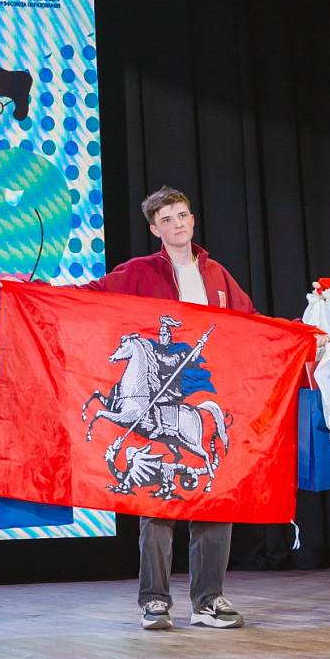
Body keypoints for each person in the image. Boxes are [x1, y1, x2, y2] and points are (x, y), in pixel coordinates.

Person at [84, 185, 253, 632]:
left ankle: (208, 599)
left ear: (192, 220)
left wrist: (298, 333)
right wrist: (38, 295)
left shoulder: (216, 275)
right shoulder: (139, 272)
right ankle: (155, 600)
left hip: (204, 389)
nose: (177, 224)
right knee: (156, 498)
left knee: (213, 499)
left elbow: (251, 324)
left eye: (182, 216)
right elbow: (90, 295)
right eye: (167, 219)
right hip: (156, 395)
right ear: (155, 229)